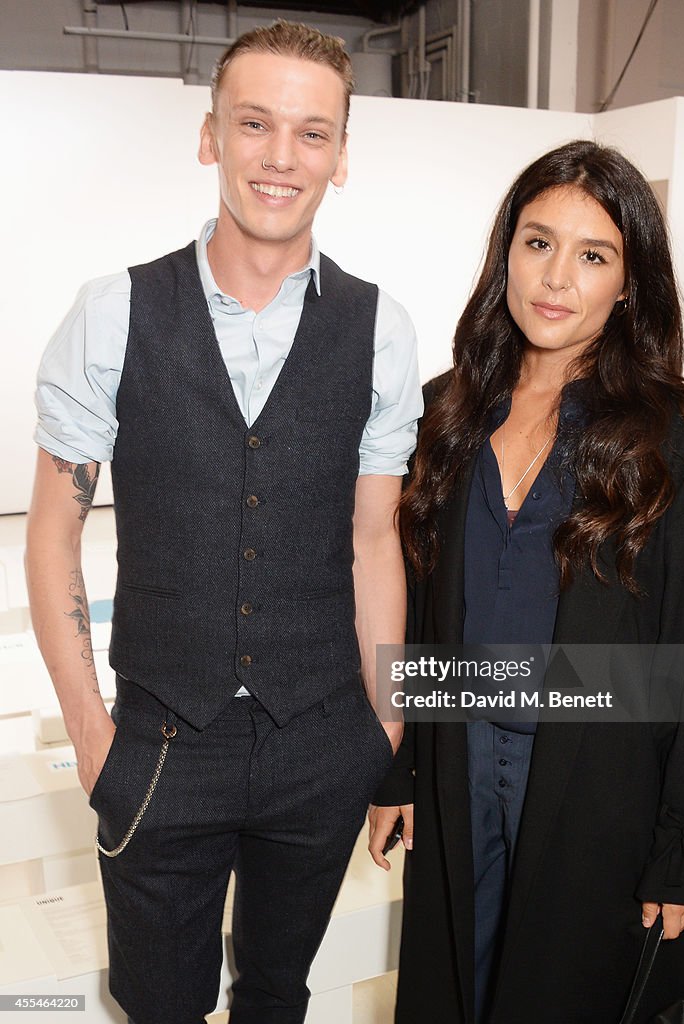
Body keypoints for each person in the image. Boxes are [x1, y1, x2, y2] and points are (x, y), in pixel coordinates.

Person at [25, 21, 421, 1024]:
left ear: (339, 155)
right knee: (159, 1003)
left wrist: (384, 722)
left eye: (310, 132)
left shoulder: (379, 330)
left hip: (323, 735)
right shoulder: (112, 311)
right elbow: (53, 530)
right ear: (210, 138)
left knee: (277, 993)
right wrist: (89, 731)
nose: (280, 156)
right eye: (254, 124)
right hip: (160, 739)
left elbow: (374, 538)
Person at [368, 140, 684, 1023]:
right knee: (459, 985)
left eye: (593, 255)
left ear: (628, 285)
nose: (556, 277)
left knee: (568, 992)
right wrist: (398, 769)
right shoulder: (445, 413)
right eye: (538, 243)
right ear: (506, 252)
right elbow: (417, 605)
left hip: (600, 784)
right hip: (462, 767)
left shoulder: (667, 443)